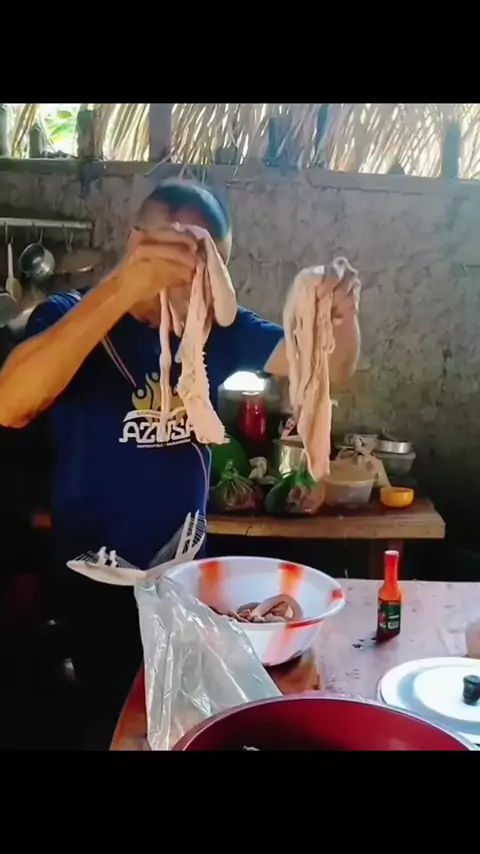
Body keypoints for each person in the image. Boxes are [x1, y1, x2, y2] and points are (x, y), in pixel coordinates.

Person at [0, 178, 360, 749]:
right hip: (97, 585)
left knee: (190, 727)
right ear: (137, 242)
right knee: (115, 728)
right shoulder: (70, 316)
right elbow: (11, 404)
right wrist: (124, 286)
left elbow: (325, 370)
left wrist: (338, 319)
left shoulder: (217, 329)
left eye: (213, 267)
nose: (198, 284)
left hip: (188, 582)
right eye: (183, 260)